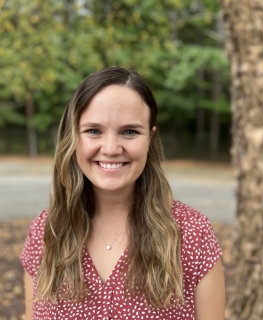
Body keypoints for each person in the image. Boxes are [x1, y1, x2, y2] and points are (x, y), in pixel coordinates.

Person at [21, 67, 225, 320]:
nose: (111, 148)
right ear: (73, 136)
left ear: (150, 137)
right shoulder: (45, 232)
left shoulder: (193, 234)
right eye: (94, 131)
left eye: (129, 131)